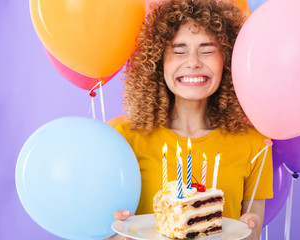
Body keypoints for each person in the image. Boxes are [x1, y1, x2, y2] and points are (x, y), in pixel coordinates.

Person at [108, 0, 273, 239]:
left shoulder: (256, 146)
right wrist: (118, 234)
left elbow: (251, 232)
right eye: (179, 50)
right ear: (157, 62)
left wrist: (251, 228)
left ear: (227, 60)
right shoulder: (126, 141)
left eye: (207, 50)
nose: (194, 62)